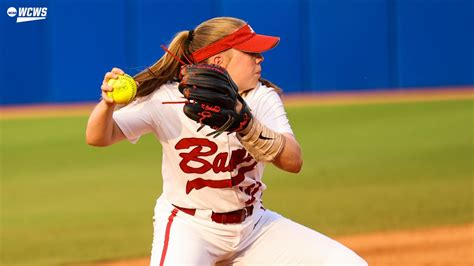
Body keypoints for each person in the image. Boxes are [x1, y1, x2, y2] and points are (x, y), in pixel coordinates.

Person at [86, 17, 367, 266]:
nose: (260, 58)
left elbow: (293, 161)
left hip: (253, 227)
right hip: (190, 227)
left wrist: (246, 123)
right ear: (219, 62)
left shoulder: (260, 97)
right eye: (251, 52)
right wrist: (107, 104)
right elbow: (98, 137)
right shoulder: (165, 99)